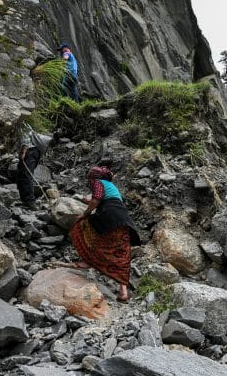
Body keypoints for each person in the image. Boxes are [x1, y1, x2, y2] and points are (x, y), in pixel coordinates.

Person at [68, 166, 141, 302]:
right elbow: (100, 198)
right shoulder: (111, 186)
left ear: (92, 178)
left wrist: (85, 214)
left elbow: (96, 200)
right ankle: (123, 292)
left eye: (89, 180)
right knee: (121, 254)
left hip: (108, 217)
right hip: (123, 221)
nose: (89, 183)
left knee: (82, 227)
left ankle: (86, 261)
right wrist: (82, 199)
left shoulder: (98, 183)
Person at [16, 124, 52, 209]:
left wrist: (23, 151)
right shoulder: (23, 124)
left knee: (26, 175)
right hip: (34, 151)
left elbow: (26, 136)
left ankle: (30, 202)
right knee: (21, 174)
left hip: (31, 150)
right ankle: (25, 200)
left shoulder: (21, 123)